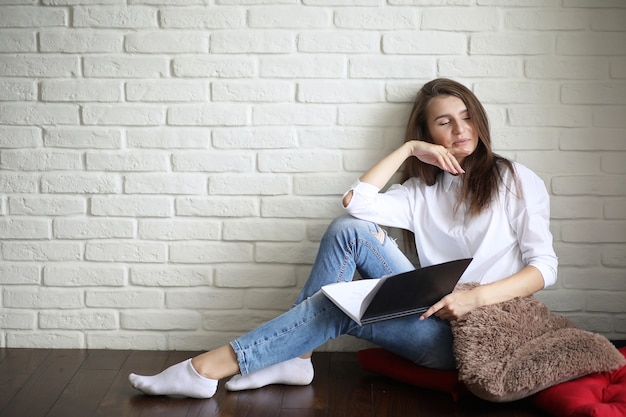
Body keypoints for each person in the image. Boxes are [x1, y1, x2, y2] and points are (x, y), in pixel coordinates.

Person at [128, 78, 558, 399]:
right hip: (430, 310)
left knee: (339, 303)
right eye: (444, 122)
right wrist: (408, 150)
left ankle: (209, 368)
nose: (460, 129)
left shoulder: (516, 180)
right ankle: (292, 359)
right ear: (430, 135)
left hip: (471, 335)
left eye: (466, 116)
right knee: (347, 230)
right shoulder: (419, 193)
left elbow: (544, 268)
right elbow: (356, 203)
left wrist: (473, 299)